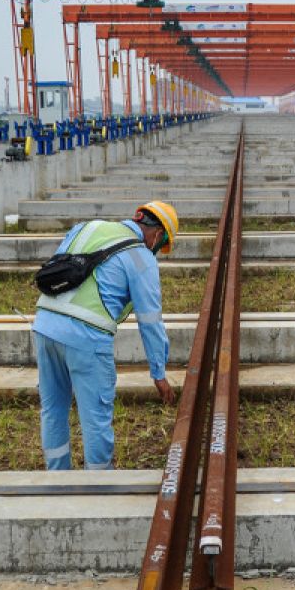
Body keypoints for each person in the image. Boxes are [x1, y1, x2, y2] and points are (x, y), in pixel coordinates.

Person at [32, 201, 180, 470]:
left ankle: (57, 479)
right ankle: (98, 487)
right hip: (85, 337)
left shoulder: (87, 227)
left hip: (44, 325)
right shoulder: (140, 256)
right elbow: (150, 320)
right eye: (161, 245)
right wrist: (158, 373)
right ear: (158, 234)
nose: (156, 250)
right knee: (95, 418)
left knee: (53, 410)